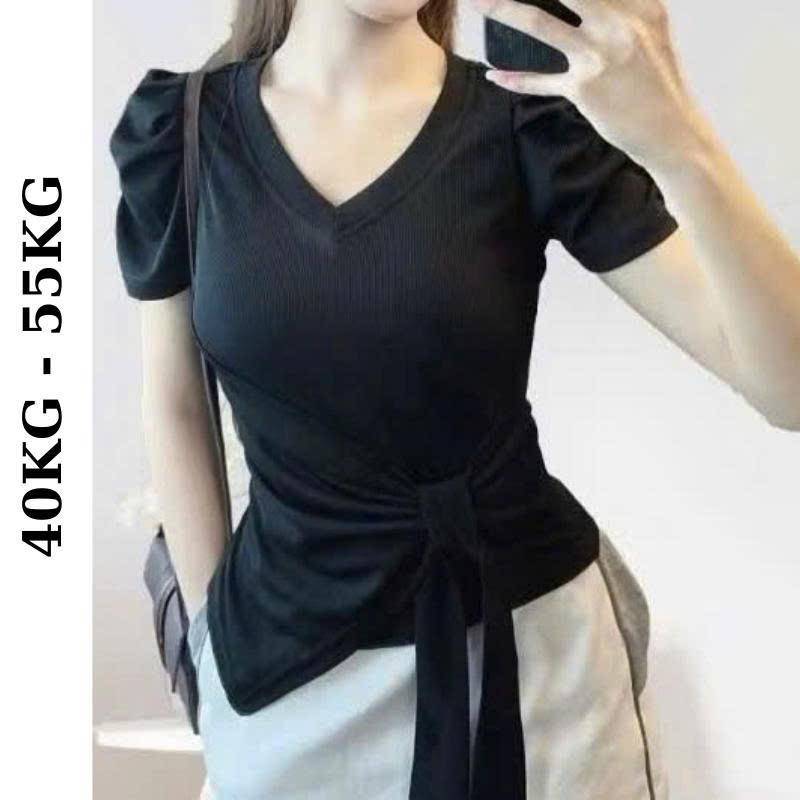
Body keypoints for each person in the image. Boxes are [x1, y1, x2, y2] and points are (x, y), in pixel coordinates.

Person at [108, 1, 800, 798]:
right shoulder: (183, 134)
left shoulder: (525, 122)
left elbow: (785, 388)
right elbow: (175, 400)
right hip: (286, 681)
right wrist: (206, 643)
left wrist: (678, 140)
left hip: (539, 671)